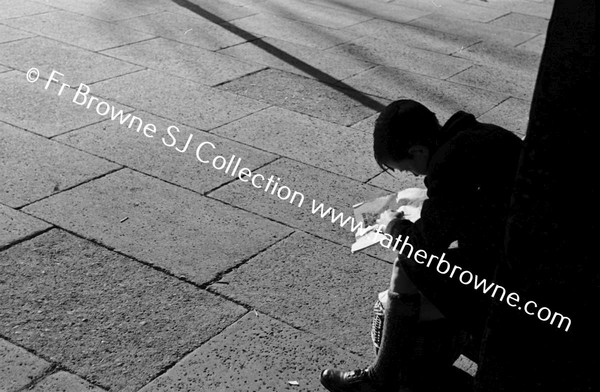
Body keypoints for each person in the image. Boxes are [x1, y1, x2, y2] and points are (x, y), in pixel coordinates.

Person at [320, 100, 523, 392]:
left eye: (406, 168)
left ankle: (382, 377)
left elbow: (423, 244)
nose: (413, 175)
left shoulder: (450, 163)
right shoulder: (482, 135)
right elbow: (466, 211)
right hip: (527, 252)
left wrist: (392, 225)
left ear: (418, 150)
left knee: (409, 261)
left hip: (510, 272)